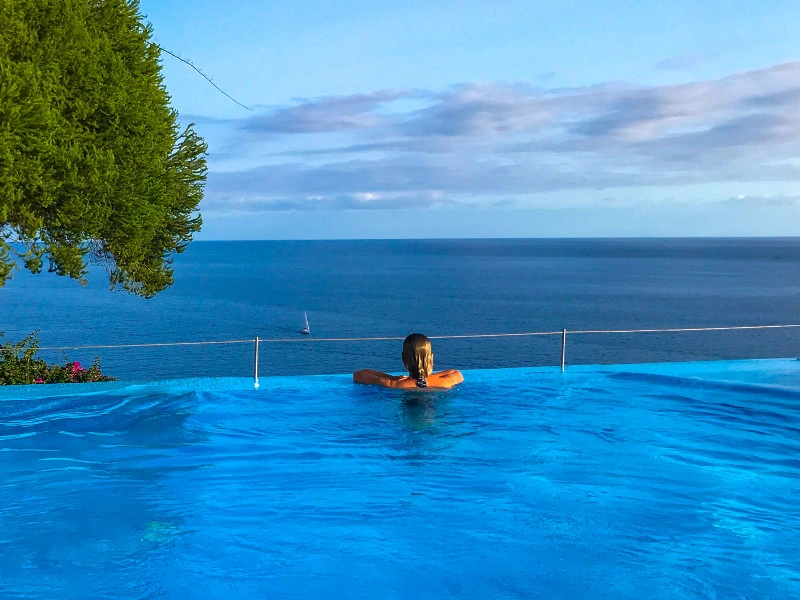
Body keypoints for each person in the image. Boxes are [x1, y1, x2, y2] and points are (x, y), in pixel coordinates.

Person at [353, 333, 464, 389]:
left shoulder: (394, 384)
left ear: (403, 358)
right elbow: (456, 373)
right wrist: (427, 377)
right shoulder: (446, 382)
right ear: (431, 357)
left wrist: (392, 378)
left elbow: (359, 374)